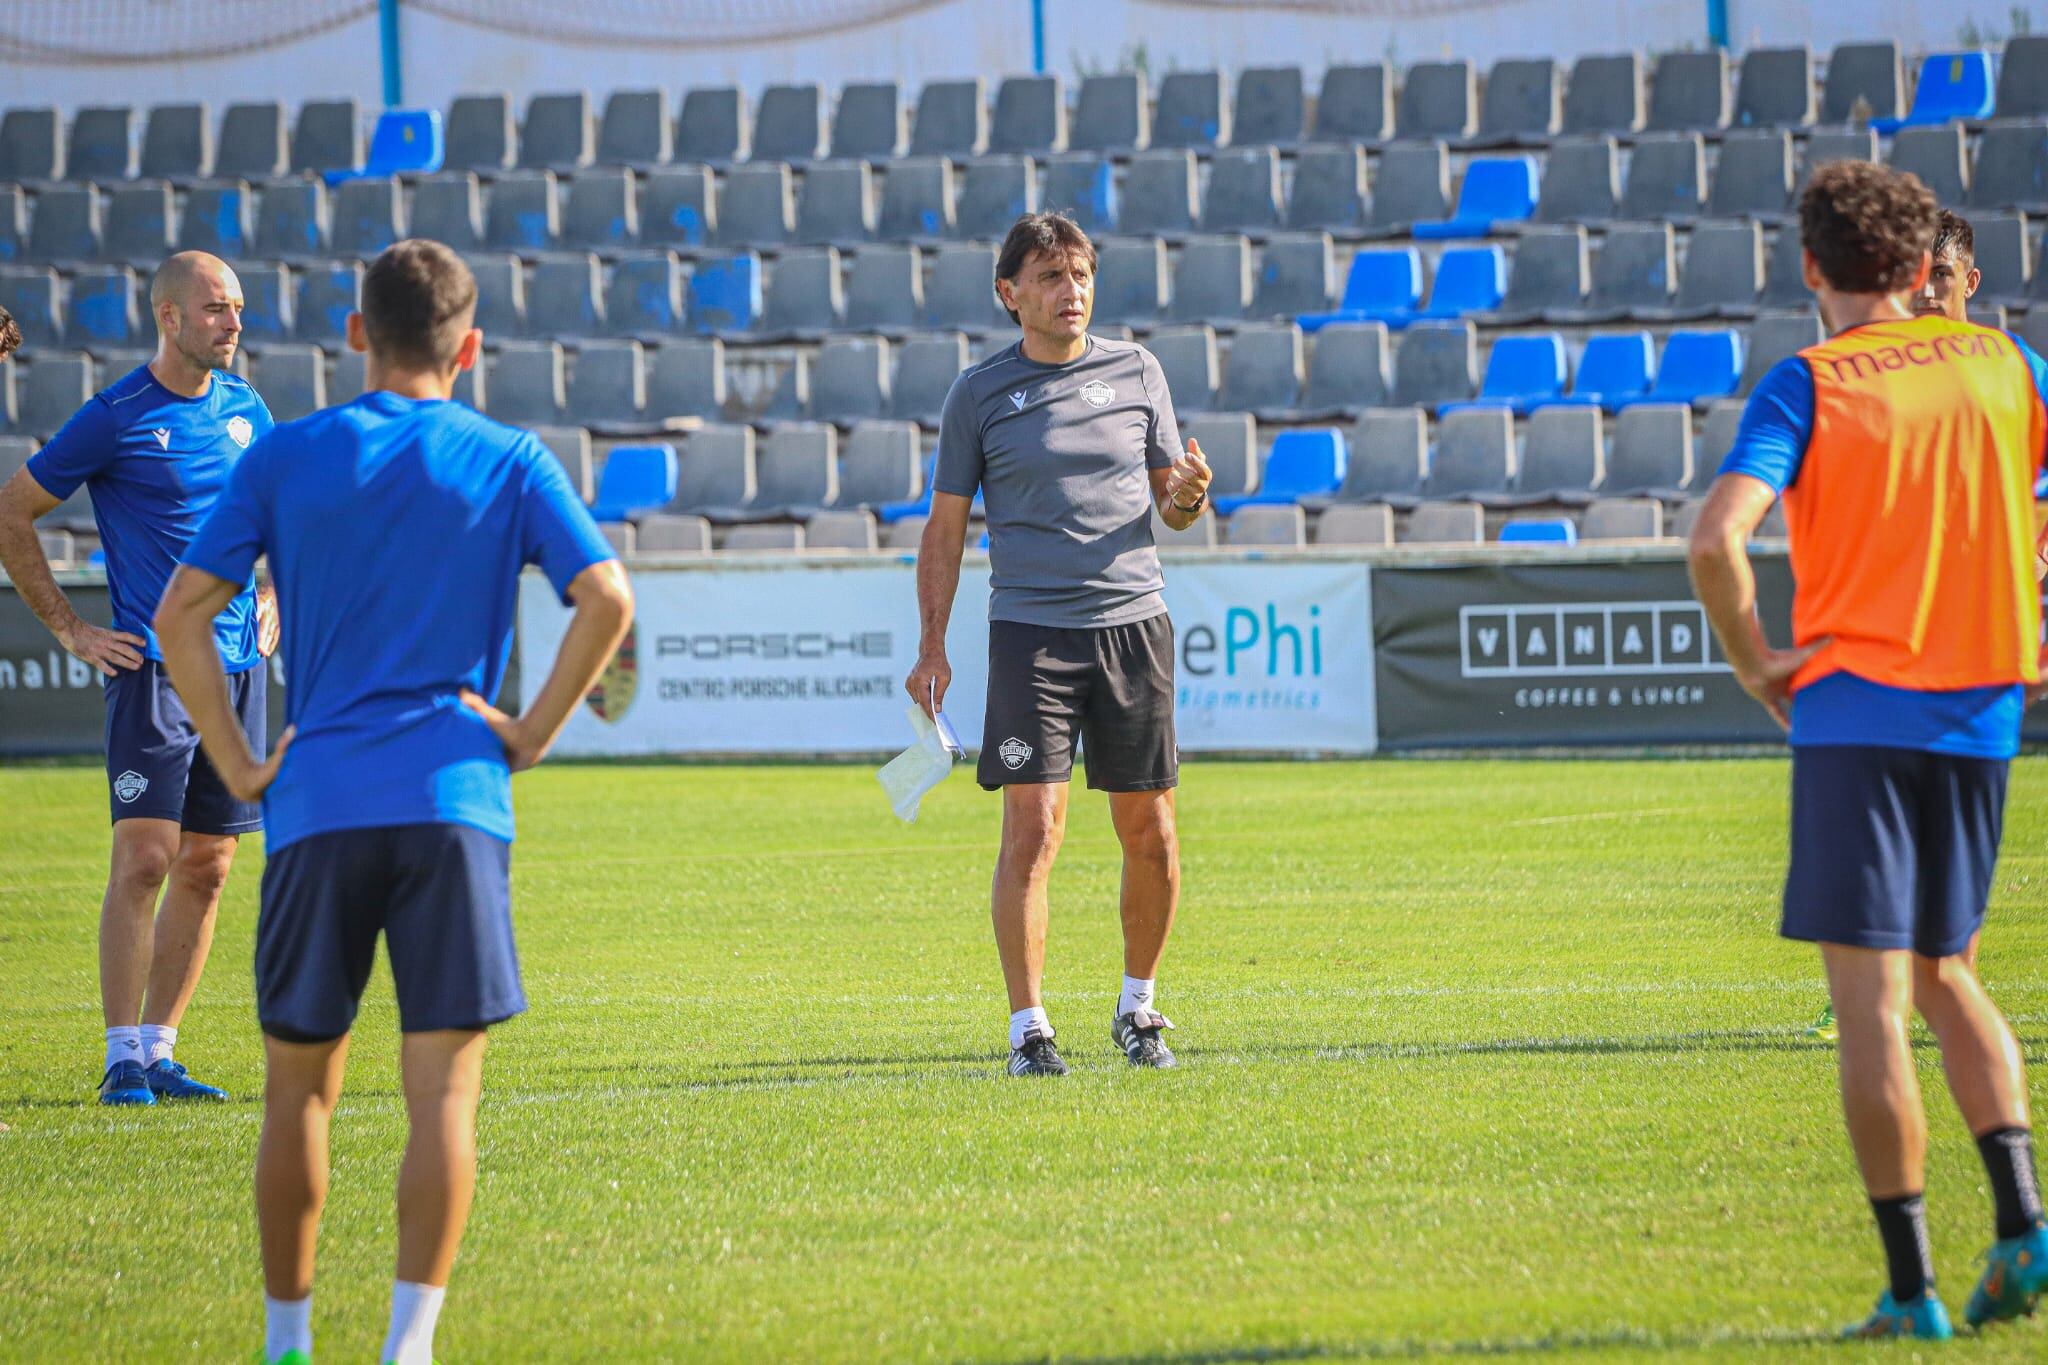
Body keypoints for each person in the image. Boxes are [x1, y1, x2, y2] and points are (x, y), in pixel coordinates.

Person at [154, 239, 633, 1365]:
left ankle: (286, 1345)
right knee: (442, 1105)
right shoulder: (510, 455)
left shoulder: (284, 456)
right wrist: (527, 735)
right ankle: (408, 1350)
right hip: (454, 805)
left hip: (316, 803)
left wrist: (234, 757)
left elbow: (183, 612)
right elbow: (607, 598)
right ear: (469, 347)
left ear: (357, 334)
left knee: (298, 1098)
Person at [1689, 161, 2048, 1339]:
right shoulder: (2005, 366)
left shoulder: (1807, 383)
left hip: (1853, 711)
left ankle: (1910, 1293)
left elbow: (1714, 541)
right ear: (1916, 267)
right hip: (1984, 712)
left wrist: (1755, 665)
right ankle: (2025, 1226)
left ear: (1810, 270)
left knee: (1869, 1008)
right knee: (1949, 972)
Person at [907, 211, 1212, 1078]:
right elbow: (945, 528)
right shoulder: (978, 393)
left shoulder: (1138, 369)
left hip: (1132, 626)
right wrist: (932, 644)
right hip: (1032, 635)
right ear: (1009, 295)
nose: (1069, 290)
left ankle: (1139, 1008)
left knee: (1150, 831)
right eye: (1048, 277)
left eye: (1079, 274)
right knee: (1033, 832)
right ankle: (1029, 1029)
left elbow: (1174, 507)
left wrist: (1190, 493)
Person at [0, 252, 275, 1105]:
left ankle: (160, 1051)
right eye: (216, 308)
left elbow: (276, 510)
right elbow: (13, 509)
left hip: (237, 671)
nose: (233, 322)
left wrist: (273, 589)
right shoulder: (116, 415)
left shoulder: (248, 409)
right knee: (148, 857)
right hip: (153, 671)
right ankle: (121, 1057)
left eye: (237, 307)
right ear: (168, 316)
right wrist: (71, 628)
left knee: (211, 865)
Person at [1803, 205, 1990, 1047]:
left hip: (1984, 654)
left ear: (1970, 284)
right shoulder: (1887, 384)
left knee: (1943, 855)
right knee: (1888, 845)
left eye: (1941, 280)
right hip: (1900, 650)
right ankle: (1884, 995)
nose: (1926, 297)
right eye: (1918, 281)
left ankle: (1939, 993)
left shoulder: (2007, 376)